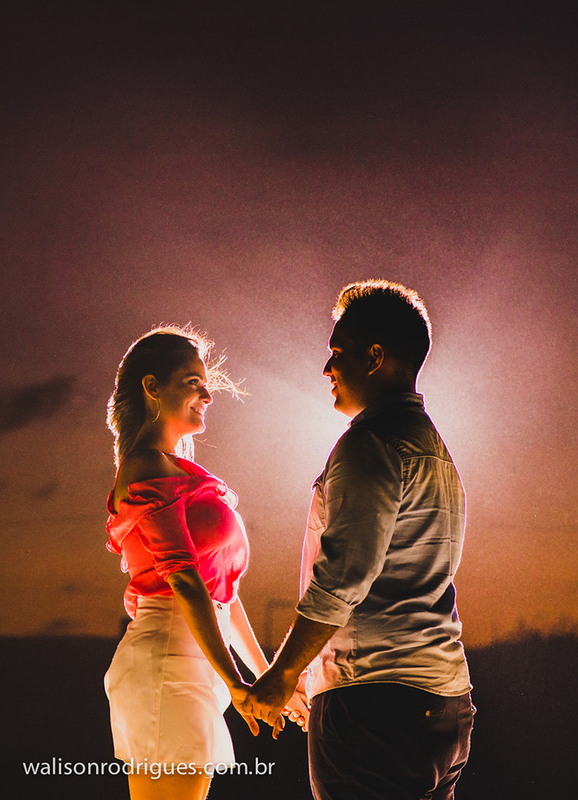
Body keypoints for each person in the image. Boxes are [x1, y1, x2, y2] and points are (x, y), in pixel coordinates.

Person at [243, 280, 474, 799]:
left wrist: (283, 676)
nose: (327, 369)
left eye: (337, 352)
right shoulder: (438, 455)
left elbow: (342, 578)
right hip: (444, 707)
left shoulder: (368, 445)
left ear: (375, 357)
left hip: (374, 709)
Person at [103, 325, 308, 800]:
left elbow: (222, 596)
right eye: (193, 382)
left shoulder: (180, 472)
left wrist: (263, 679)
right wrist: (237, 684)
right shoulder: (145, 467)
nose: (208, 395)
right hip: (167, 662)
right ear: (152, 387)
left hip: (193, 662)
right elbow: (186, 583)